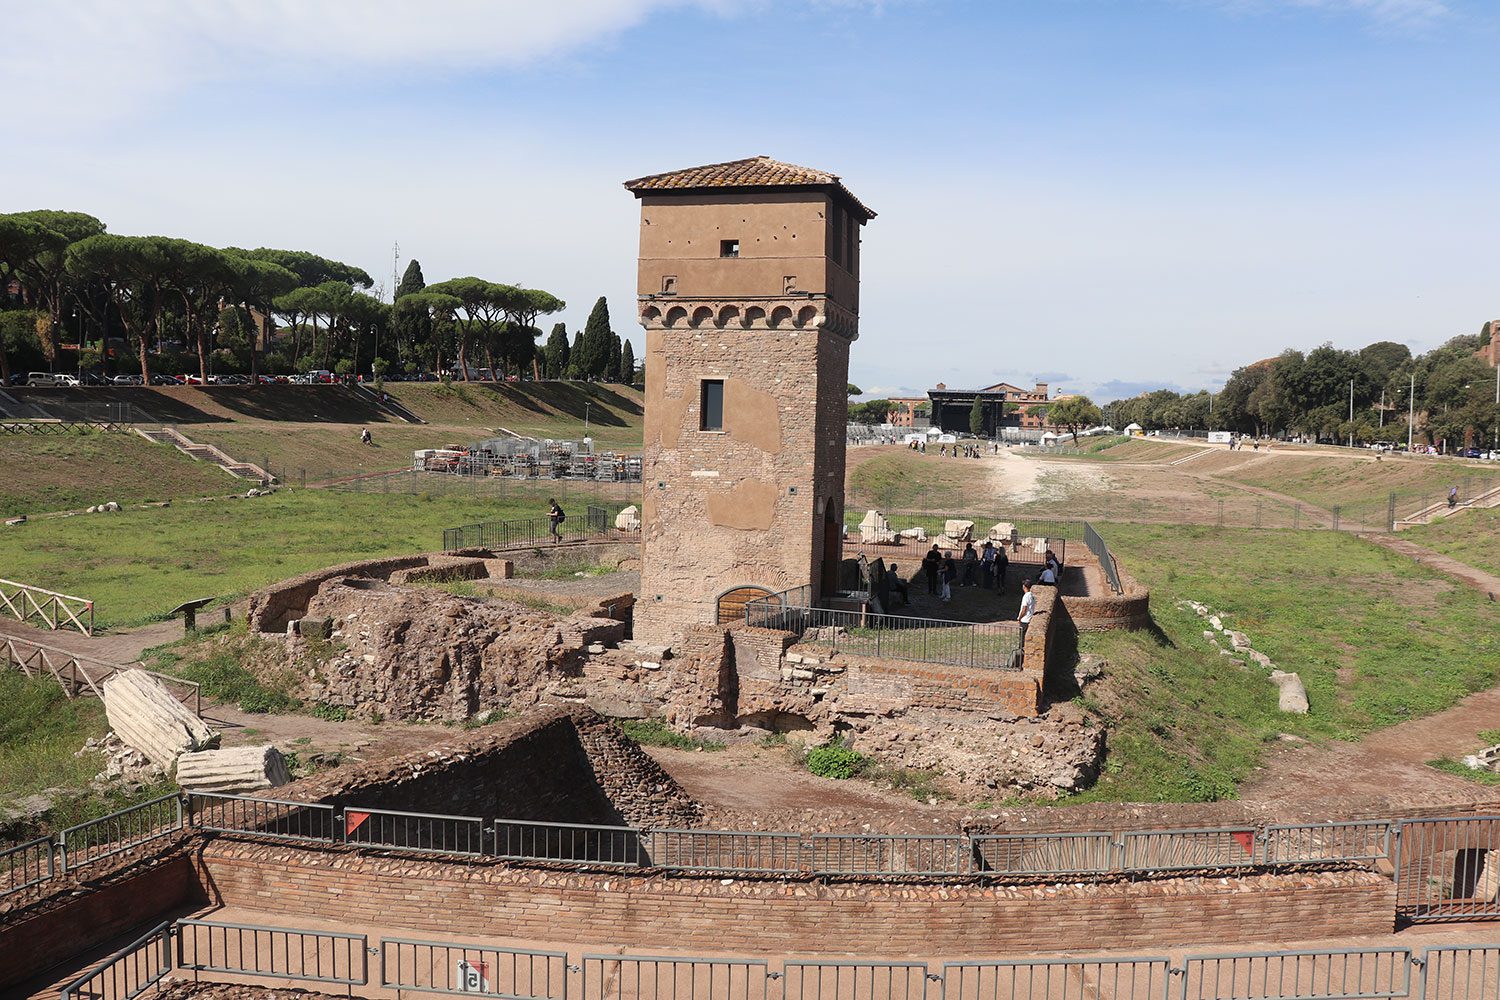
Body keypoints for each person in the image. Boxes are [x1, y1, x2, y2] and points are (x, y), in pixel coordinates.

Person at [1017, 579, 1036, 659]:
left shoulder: (1026, 596)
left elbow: (1024, 609)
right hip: (1029, 618)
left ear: (1024, 586)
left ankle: (1021, 658)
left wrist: (1019, 617)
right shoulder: (1032, 595)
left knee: (1022, 640)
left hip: (1024, 620)